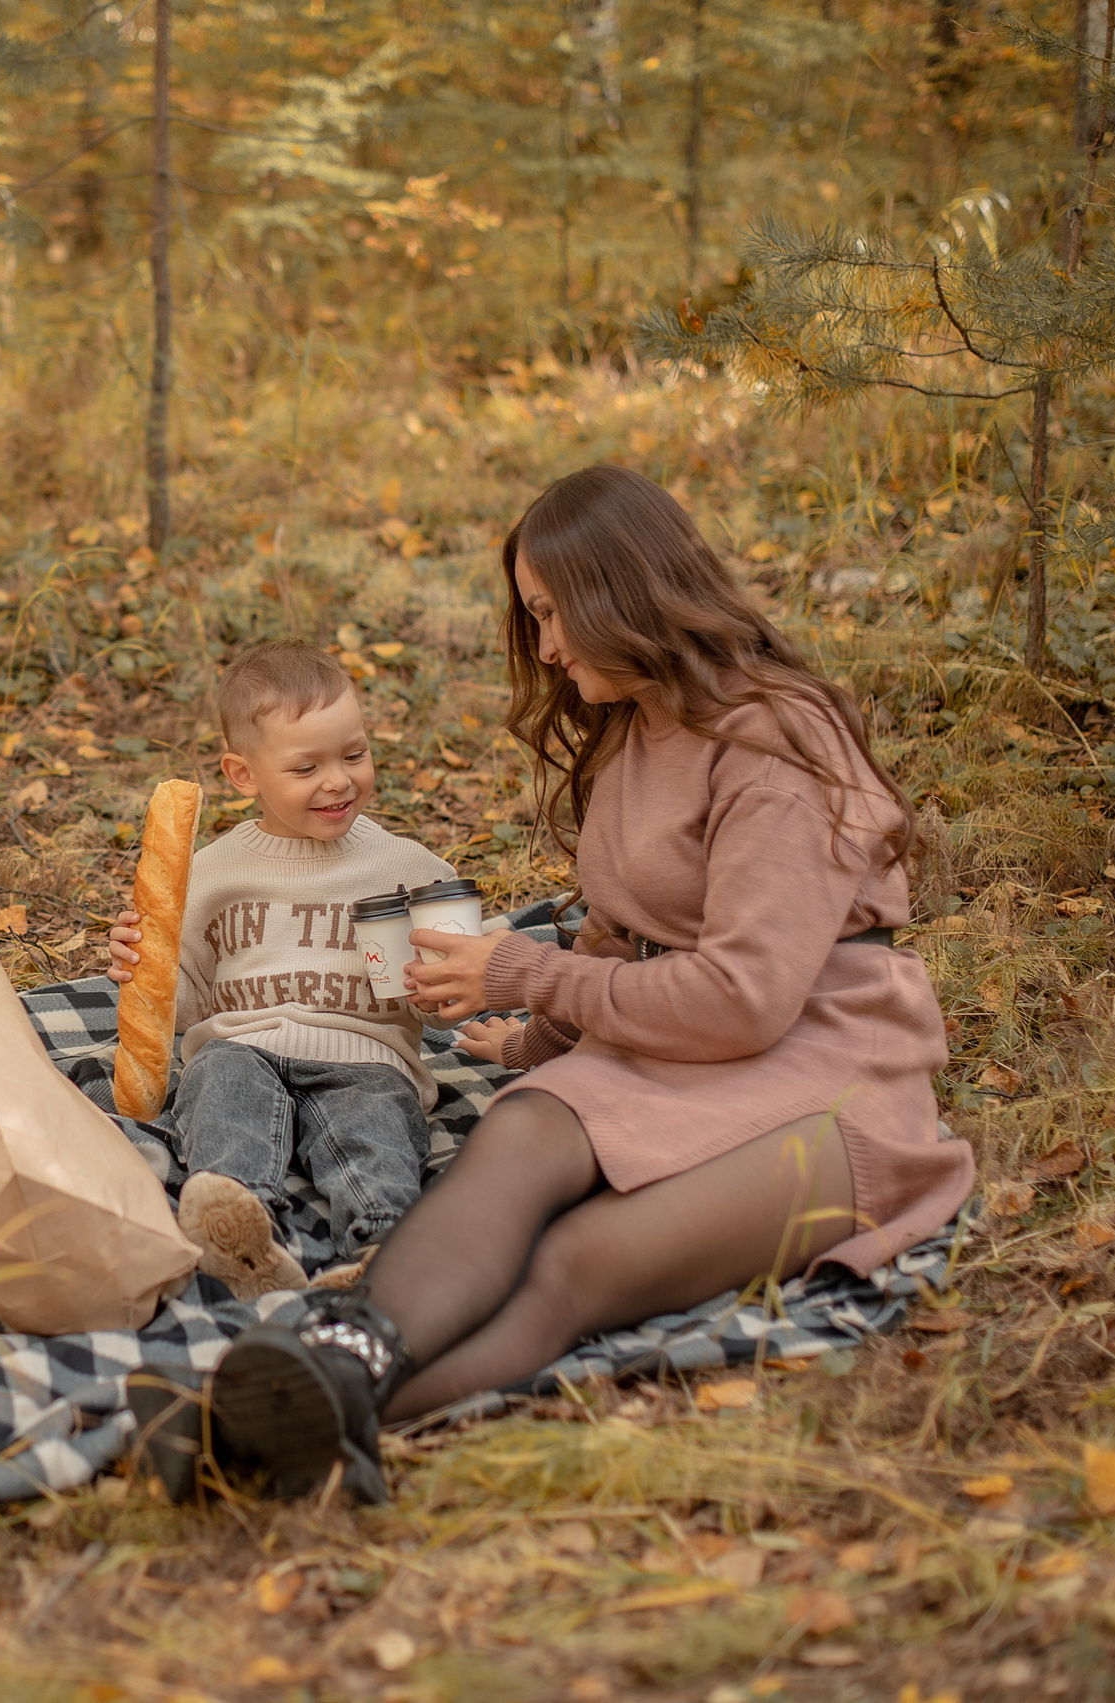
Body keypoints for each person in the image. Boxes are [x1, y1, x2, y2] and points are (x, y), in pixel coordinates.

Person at [191, 464, 975, 1503]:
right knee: (517, 1134)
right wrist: (538, 1045)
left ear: (622, 592)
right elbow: (623, 940)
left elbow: (744, 997)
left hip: (827, 1070)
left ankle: (274, 1436)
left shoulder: (777, 740)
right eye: (535, 617)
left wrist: (523, 970)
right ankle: (335, 1358)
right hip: (666, 1048)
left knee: (575, 1261)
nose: (547, 646)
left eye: (553, 613)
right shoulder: (637, 720)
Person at [105, 641, 465, 1298]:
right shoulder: (211, 874)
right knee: (217, 1084)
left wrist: (440, 985)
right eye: (306, 767)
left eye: (354, 754)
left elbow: (441, 1004)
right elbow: (179, 999)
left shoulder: (409, 871)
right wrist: (140, 964)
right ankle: (239, 1229)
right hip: (243, 1043)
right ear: (244, 775)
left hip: (365, 1053)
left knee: (378, 1123)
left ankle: (383, 1246)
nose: (338, 779)